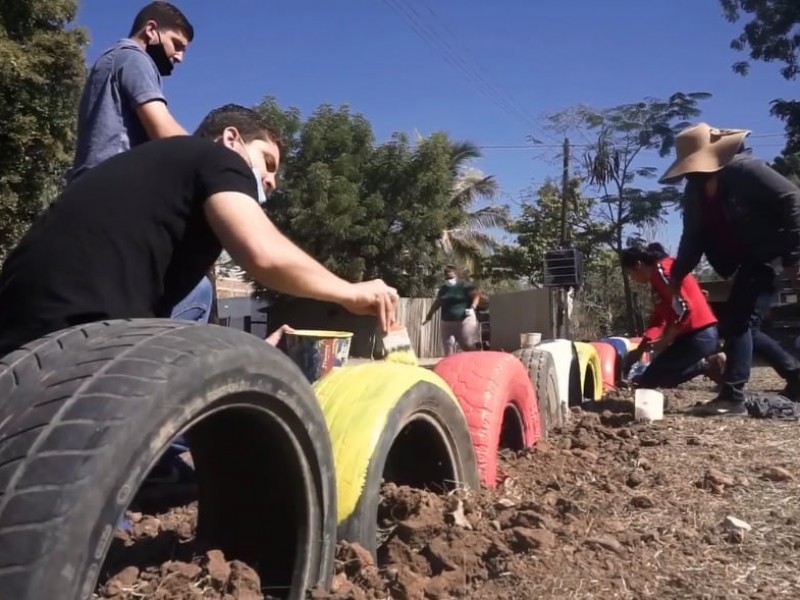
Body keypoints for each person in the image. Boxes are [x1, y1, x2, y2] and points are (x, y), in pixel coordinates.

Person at [67, 3, 218, 326]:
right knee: (196, 291)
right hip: (111, 198)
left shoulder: (107, 63)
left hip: (90, 197)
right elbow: (164, 132)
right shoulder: (134, 58)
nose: (179, 57)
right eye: (177, 44)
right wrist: (217, 162)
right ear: (151, 30)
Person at [661, 122, 800, 416]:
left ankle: (732, 395)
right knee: (746, 325)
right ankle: (796, 375)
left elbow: (792, 199)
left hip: (769, 253)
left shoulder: (745, 171)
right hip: (745, 260)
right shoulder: (696, 193)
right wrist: (678, 274)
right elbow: (692, 237)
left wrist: (795, 256)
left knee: (739, 321)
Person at [620, 243, 724, 389]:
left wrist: (666, 339)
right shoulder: (656, 283)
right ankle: (708, 365)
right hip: (691, 336)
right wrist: (640, 350)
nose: (632, 278)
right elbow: (659, 320)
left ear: (638, 264)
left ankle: (707, 365)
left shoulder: (662, 271)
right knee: (651, 378)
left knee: (651, 379)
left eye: (630, 273)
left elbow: (685, 308)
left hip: (698, 334)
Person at [422, 266, 480, 356]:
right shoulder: (443, 289)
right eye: (447, 278)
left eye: (451, 277)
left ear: (456, 275)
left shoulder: (464, 285)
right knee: (448, 345)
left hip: (465, 321)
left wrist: (473, 307)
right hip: (447, 323)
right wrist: (429, 316)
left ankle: (478, 359)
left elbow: (476, 296)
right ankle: (449, 367)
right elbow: (437, 303)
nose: (449, 280)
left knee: (466, 345)